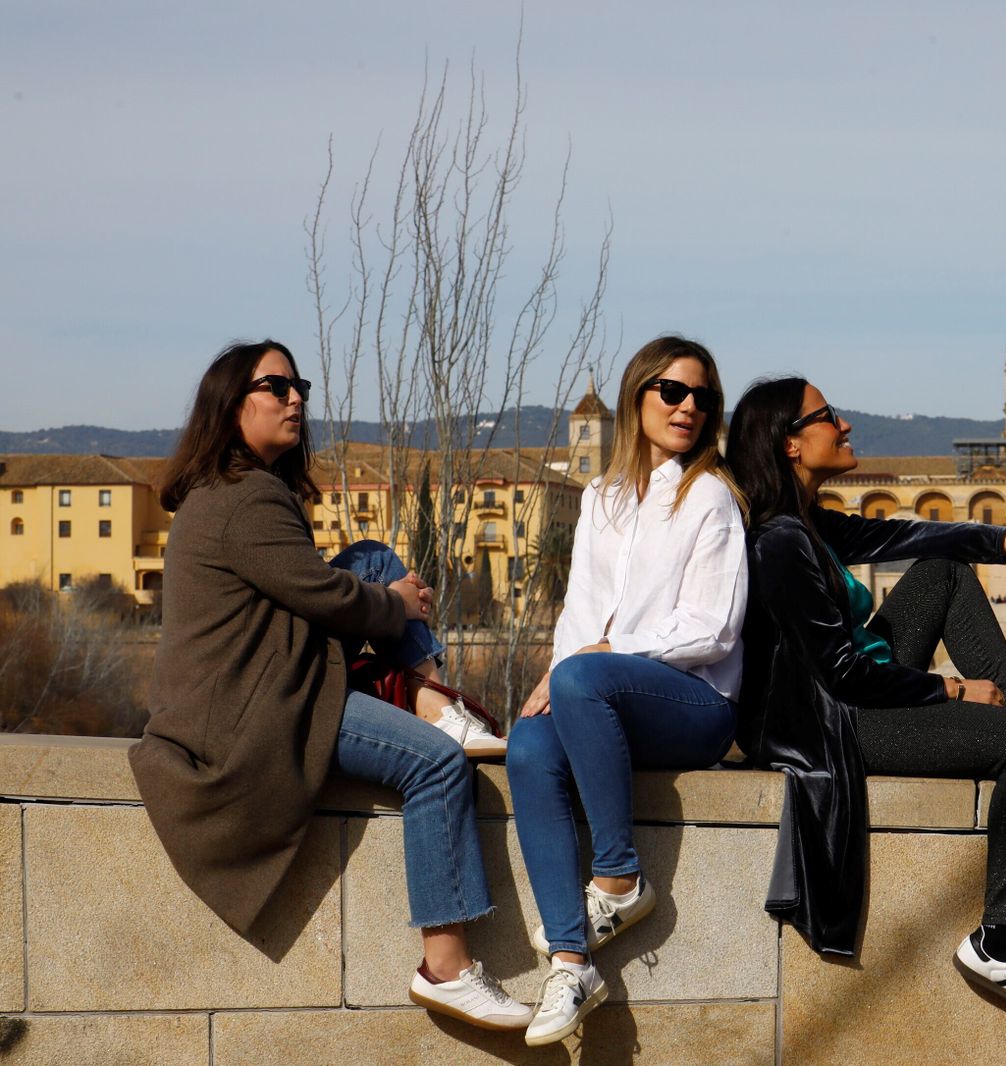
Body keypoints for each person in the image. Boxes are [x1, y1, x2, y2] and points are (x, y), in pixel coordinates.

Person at [129, 340, 530, 1031]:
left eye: (299, 386)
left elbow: (320, 589)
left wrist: (387, 597)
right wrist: (400, 605)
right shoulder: (244, 498)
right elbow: (322, 597)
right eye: (276, 386)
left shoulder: (234, 489)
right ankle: (447, 967)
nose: (296, 399)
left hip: (269, 679)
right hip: (257, 714)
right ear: (231, 405)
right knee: (436, 767)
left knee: (372, 557)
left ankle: (437, 700)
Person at [725, 377, 1006, 1017]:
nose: (846, 424)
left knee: (943, 573)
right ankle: (1001, 941)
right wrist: (953, 688)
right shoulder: (780, 543)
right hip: (838, 724)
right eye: (827, 416)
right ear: (791, 445)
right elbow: (842, 674)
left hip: (857, 697)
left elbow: (913, 541)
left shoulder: (808, 525)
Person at [506, 336, 748, 1047]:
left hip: (698, 704)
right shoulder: (602, 498)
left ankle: (618, 880)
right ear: (636, 398)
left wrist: (600, 657)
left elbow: (713, 629)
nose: (688, 408)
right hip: (604, 696)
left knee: (582, 674)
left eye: (702, 397)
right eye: (672, 392)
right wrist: (555, 675)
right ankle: (572, 962)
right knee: (527, 744)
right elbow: (578, 612)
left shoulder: (711, 496)